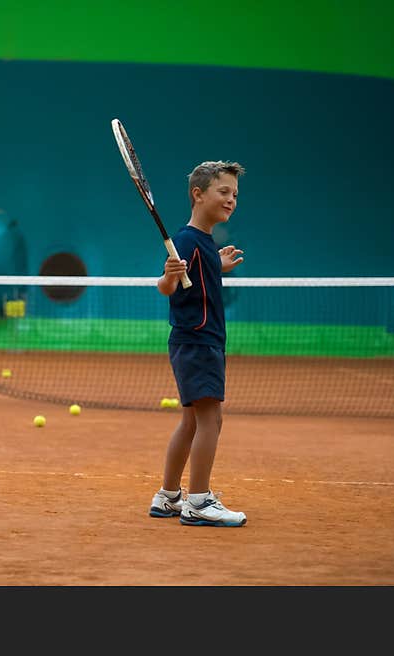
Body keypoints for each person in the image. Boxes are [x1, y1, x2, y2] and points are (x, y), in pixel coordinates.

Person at [148, 161, 247, 527]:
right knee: (211, 420)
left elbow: (195, 276)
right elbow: (167, 287)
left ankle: (169, 496)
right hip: (198, 342)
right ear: (198, 194)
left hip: (197, 342)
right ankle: (200, 501)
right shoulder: (187, 240)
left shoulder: (203, 243)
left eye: (235, 194)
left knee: (191, 421)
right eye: (223, 192)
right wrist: (167, 277)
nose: (231, 200)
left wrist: (214, 265)